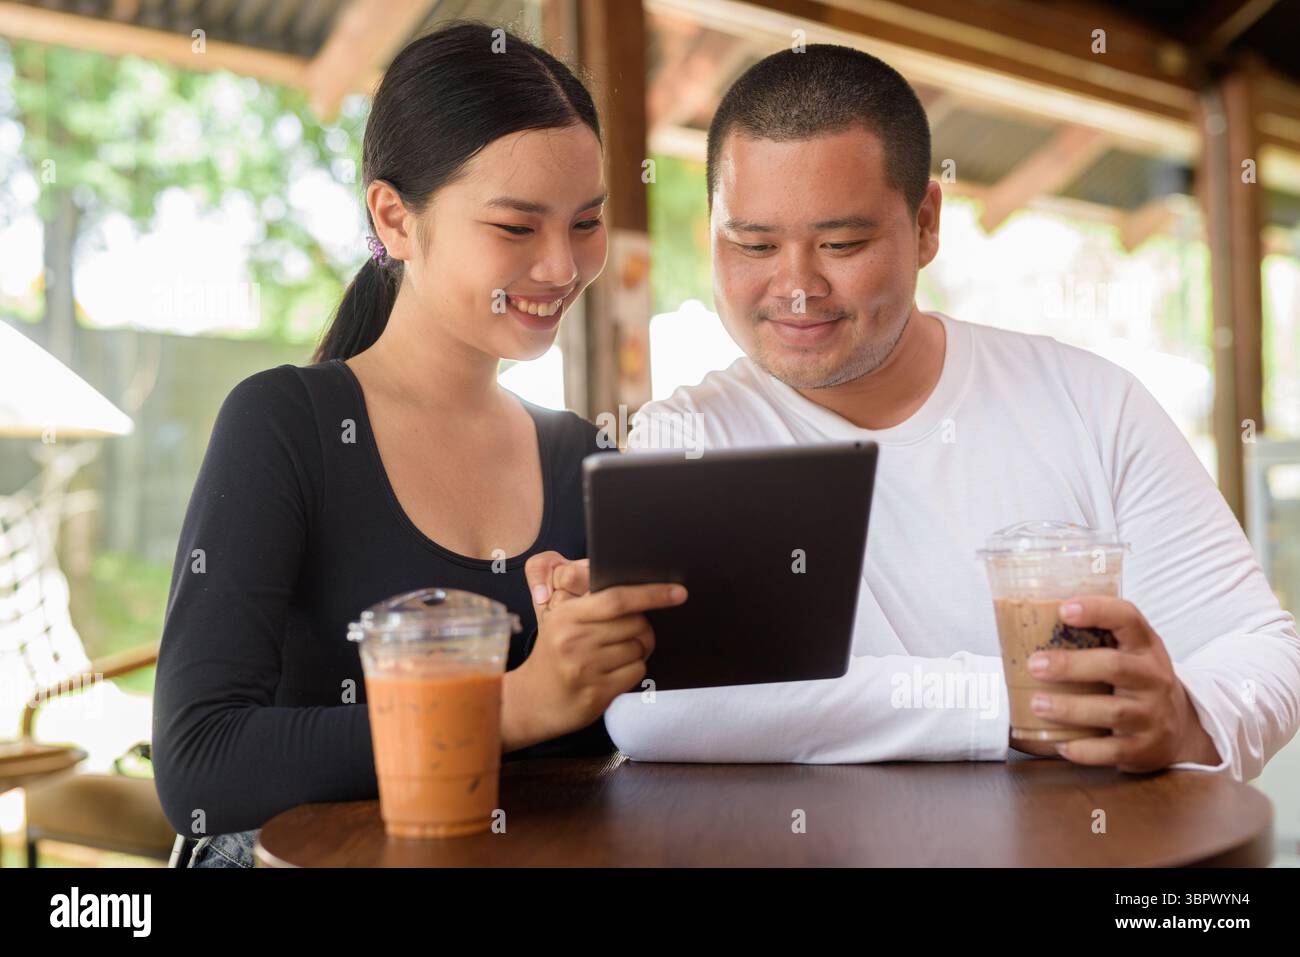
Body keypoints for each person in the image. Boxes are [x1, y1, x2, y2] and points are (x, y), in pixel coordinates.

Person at [592, 43, 1300, 783]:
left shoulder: (1092, 404)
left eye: (842, 242)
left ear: (926, 223)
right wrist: (1021, 700)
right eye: (753, 242)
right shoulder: (688, 438)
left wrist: (1183, 714)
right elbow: (659, 704)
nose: (796, 287)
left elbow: (1259, 644)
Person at [151, 22, 684, 868]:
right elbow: (200, 764)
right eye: (516, 227)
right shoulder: (285, 426)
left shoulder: (588, 462)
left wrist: (619, 652)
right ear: (394, 218)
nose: (561, 266)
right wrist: (511, 704)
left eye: (586, 222)